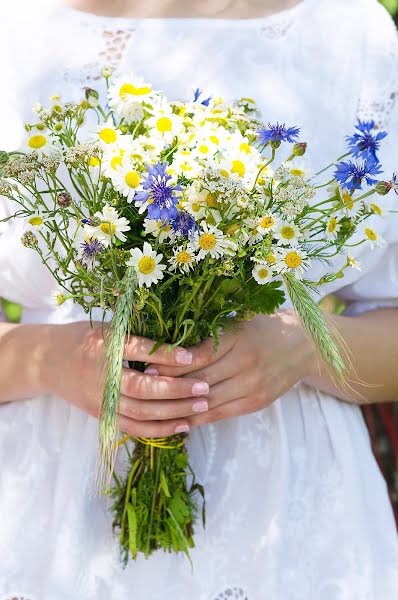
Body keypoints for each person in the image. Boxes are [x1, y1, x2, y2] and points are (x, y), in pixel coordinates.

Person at [0, 0, 397, 598]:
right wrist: (48, 358)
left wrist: (307, 346)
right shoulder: (16, 29)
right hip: (51, 500)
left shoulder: (350, 30)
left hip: (290, 517)